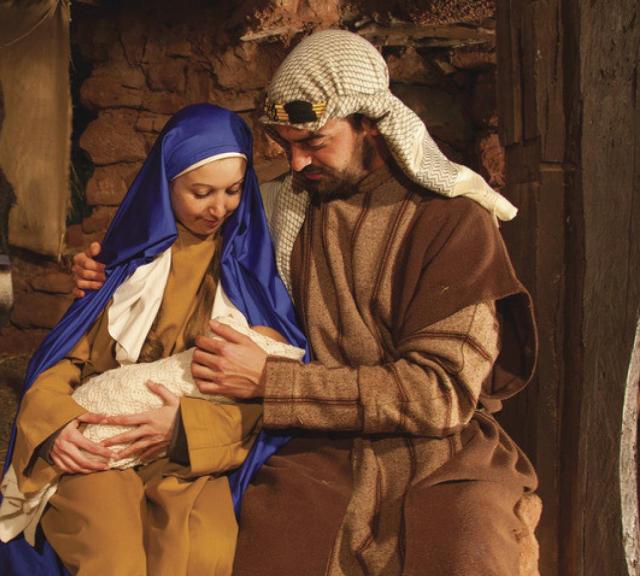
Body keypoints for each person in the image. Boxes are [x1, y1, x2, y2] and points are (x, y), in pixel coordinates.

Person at [71, 30, 541, 576]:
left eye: (313, 142)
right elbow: (175, 251)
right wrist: (105, 270)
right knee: (264, 545)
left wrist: (271, 381)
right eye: (284, 145)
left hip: (444, 453)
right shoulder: (283, 209)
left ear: (369, 122)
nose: (295, 163)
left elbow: (440, 396)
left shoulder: (454, 224)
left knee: (471, 547)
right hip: (314, 448)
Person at [0, 103, 308, 576]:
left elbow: (269, 393)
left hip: (189, 453)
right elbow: (64, 363)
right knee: (114, 561)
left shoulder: (249, 278)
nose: (218, 207)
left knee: (205, 554)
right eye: (201, 192)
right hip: (104, 443)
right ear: (167, 184)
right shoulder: (123, 263)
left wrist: (182, 429)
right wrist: (55, 427)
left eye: (233, 191)